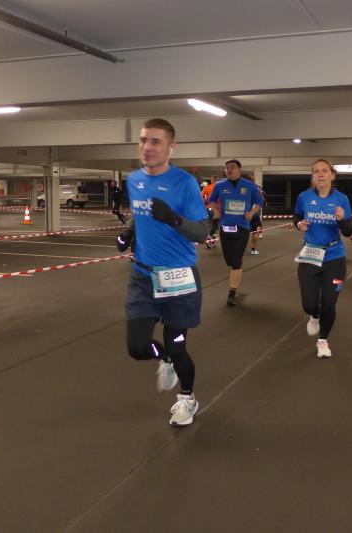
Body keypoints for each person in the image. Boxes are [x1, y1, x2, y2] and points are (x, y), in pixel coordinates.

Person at [115, 118, 209, 427]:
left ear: (171, 147)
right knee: (137, 346)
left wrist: (173, 219)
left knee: (179, 346)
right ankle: (163, 356)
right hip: (143, 277)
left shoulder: (185, 183)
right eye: (143, 140)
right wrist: (127, 232)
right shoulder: (134, 180)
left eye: (155, 141)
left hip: (179, 279)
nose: (147, 147)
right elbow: (139, 213)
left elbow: (202, 232)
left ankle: (187, 398)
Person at [293, 159, 352, 358]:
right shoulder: (304, 197)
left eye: (325, 171)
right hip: (310, 255)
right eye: (316, 171)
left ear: (332, 175)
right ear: (312, 176)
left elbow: (349, 231)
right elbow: (297, 216)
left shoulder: (341, 199)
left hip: (335, 257)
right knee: (309, 304)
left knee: (329, 303)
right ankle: (314, 314)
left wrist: (342, 220)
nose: (320, 174)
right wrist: (299, 224)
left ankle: (323, 341)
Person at [208, 159, 263, 306]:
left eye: (232, 167)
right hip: (225, 226)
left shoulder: (250, 186)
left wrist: (251, 213)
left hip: (242, 226)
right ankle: (235, 265)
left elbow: (259, 202)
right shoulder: (220, 185)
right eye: (227, 168)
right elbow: (212, 201)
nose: (229, 170)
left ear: (239, 169)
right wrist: (216, 210)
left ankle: (232, 292)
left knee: (236, 261)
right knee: (229, 261)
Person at [247, 175, 267, 255]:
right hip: (253, 213)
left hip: (242, 213)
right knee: (254, 232)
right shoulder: (257, 188)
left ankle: (238, 249)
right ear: (254, 180)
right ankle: (253, 250)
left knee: (241, 232)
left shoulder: (241, 187)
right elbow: (263, 201)